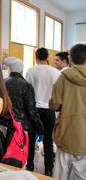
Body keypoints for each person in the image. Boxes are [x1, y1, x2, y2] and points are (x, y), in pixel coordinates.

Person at [49, 44, 86, 180]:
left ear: (70, 58)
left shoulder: (63, 77)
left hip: (67, 133)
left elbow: (54, 104)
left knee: (61, 174)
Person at [3, 57, 44, 167]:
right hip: (23, 129)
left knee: (7, 158)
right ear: (21, 70)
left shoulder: (3, 83)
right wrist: (39, 128)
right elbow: (32, 112)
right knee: (25, 158)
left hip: (6, 125)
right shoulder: (26, 86)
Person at [25, 48, 60, 176]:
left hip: (34, 109)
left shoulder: (31, 71)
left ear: (36, 57)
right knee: (48, 141)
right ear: (47, 57)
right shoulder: (55, 72)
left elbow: (27, 91)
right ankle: (49, 170)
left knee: (31, 138)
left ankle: (29, 165)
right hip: (49, 109)